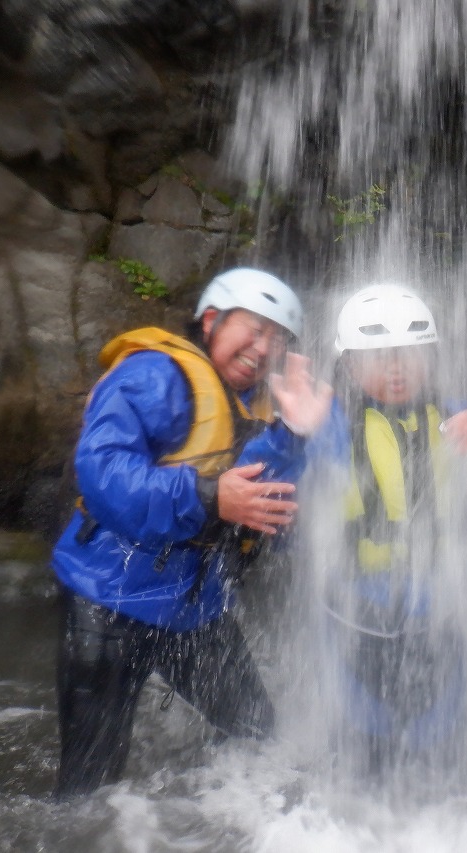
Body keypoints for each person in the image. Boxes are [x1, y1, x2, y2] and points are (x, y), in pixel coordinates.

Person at [50, 266, 332, 798]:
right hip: (108, 598)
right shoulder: (153, 376)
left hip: (193, 607)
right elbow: (102, 474)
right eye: (254, 327)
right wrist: (206, 497)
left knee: (258, 736)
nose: (263, 346)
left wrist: (292, 436)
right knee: (89, 786)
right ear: (211, 320)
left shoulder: (260, 406)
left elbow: (262, 501)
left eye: (277, 338)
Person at [307, 282, 467, 776]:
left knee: (444, 754)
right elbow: (288, 487)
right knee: (362, 756)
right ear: (348, 365)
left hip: (436, 614)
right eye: (378, 357)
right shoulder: (326, 422)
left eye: (409, 355)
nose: (396, 369)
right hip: (356, 612)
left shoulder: (457, 418)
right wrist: (288, 434)